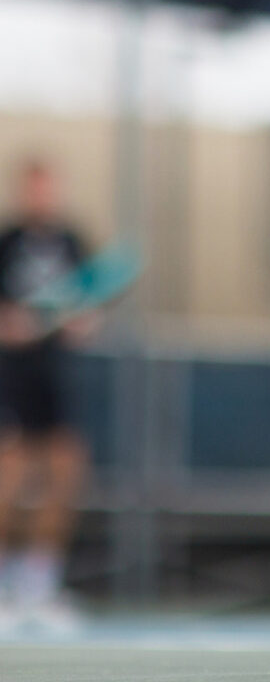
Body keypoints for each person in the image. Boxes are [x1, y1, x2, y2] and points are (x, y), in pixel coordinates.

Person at [0, 159, 98, 634]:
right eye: (34, 188)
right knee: (9, 476)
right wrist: (12, 324)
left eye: (49, 188)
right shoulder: (7, 242)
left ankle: (38, 586)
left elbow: (88, 308)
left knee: (64, 471)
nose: (42, 196)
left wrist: (82, 322)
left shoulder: (73, 242)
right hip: (11, 379)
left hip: (57, 381)